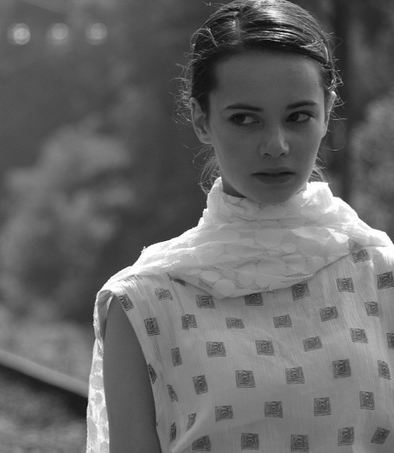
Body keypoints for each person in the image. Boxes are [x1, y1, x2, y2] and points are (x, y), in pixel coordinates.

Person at [85, 0, 394, 452]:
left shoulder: (380, 274)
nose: (276, 144)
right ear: (201, 119)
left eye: (298, 116)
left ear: (327, 112)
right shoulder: (143, 302)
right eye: (245, 119)